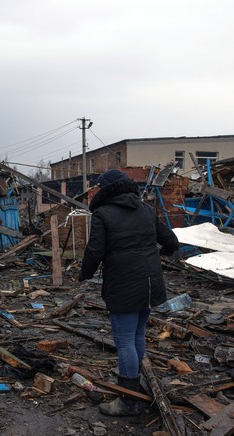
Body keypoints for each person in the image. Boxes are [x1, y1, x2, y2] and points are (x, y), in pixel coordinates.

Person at [79, 169, 179, 416]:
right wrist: (156, 255)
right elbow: (172, 242)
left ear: (107, 190)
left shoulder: (103, 214)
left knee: (124, 341)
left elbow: (95, 251)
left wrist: (84, 274)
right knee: (137, 336)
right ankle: (133, 380)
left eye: (99, 187)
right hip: (150, 282)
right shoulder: (145, 209)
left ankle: (127, 401)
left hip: (123, 283)